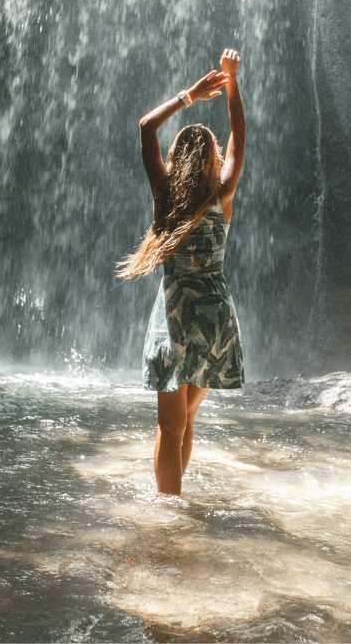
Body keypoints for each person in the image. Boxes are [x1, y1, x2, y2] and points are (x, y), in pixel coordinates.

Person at [115, 47, 246, 496]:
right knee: (186, 421)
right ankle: (175, 499)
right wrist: (232, 84)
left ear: (176, 158)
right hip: (214, 321)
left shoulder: (165, 197)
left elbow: (146, 126)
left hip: (172, 320)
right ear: (210, 159)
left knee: (169, 428)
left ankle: (167, 509)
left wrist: (189, 96)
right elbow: (238, 142)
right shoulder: (222, 195)